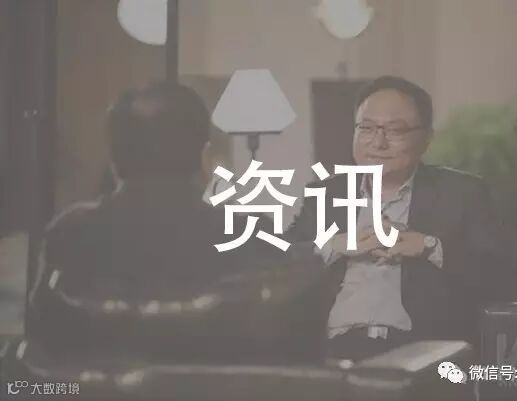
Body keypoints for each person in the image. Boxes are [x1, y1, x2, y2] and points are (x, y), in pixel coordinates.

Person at [26, 82, 313, 363]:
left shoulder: (69, 233)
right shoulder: (252, 236)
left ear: (114, 161)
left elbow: (40, 343)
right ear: (204, 157)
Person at [287, 76, 517, 361]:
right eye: (366, 128)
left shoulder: (462, 194)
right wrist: (335, 245)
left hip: (421, 354)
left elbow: (509, 281)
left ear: (426, 139)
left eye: (395, 130)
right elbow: (275, 263)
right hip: (330, 351)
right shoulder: (325, 195)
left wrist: (430, 247)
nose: (378, 142)